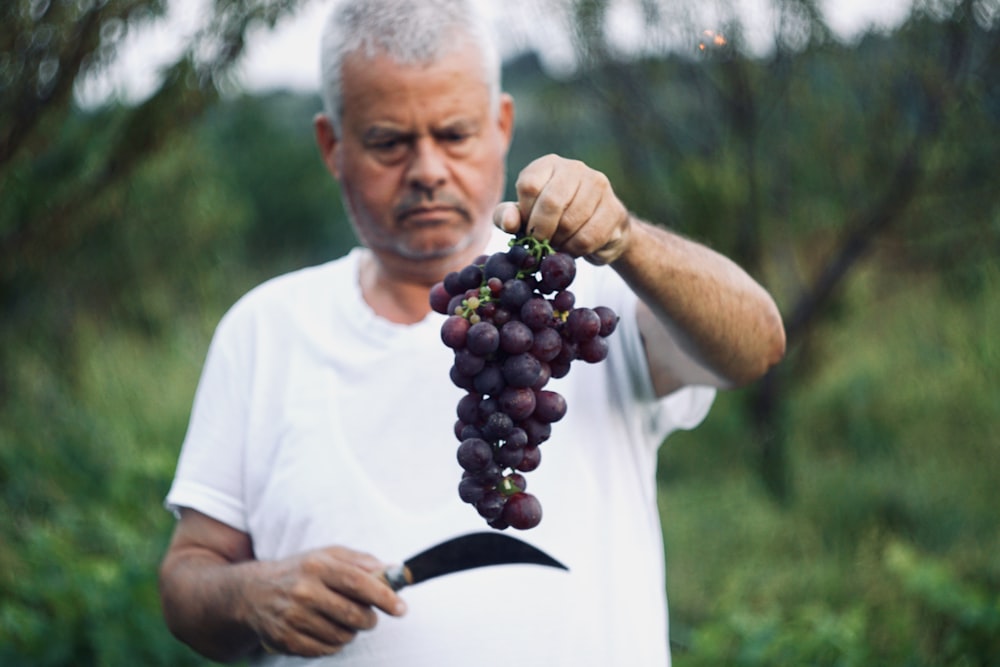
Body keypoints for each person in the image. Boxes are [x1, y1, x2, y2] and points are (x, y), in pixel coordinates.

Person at [157, 1, 786, 665]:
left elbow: (757, 343)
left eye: (454, 134)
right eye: (389, 142)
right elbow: (187, 580)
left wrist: (628, 240)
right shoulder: (265, 330)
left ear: (501, 124)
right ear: (332, 146)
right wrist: (249, 594)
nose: (427, 169)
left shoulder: (581, 302)